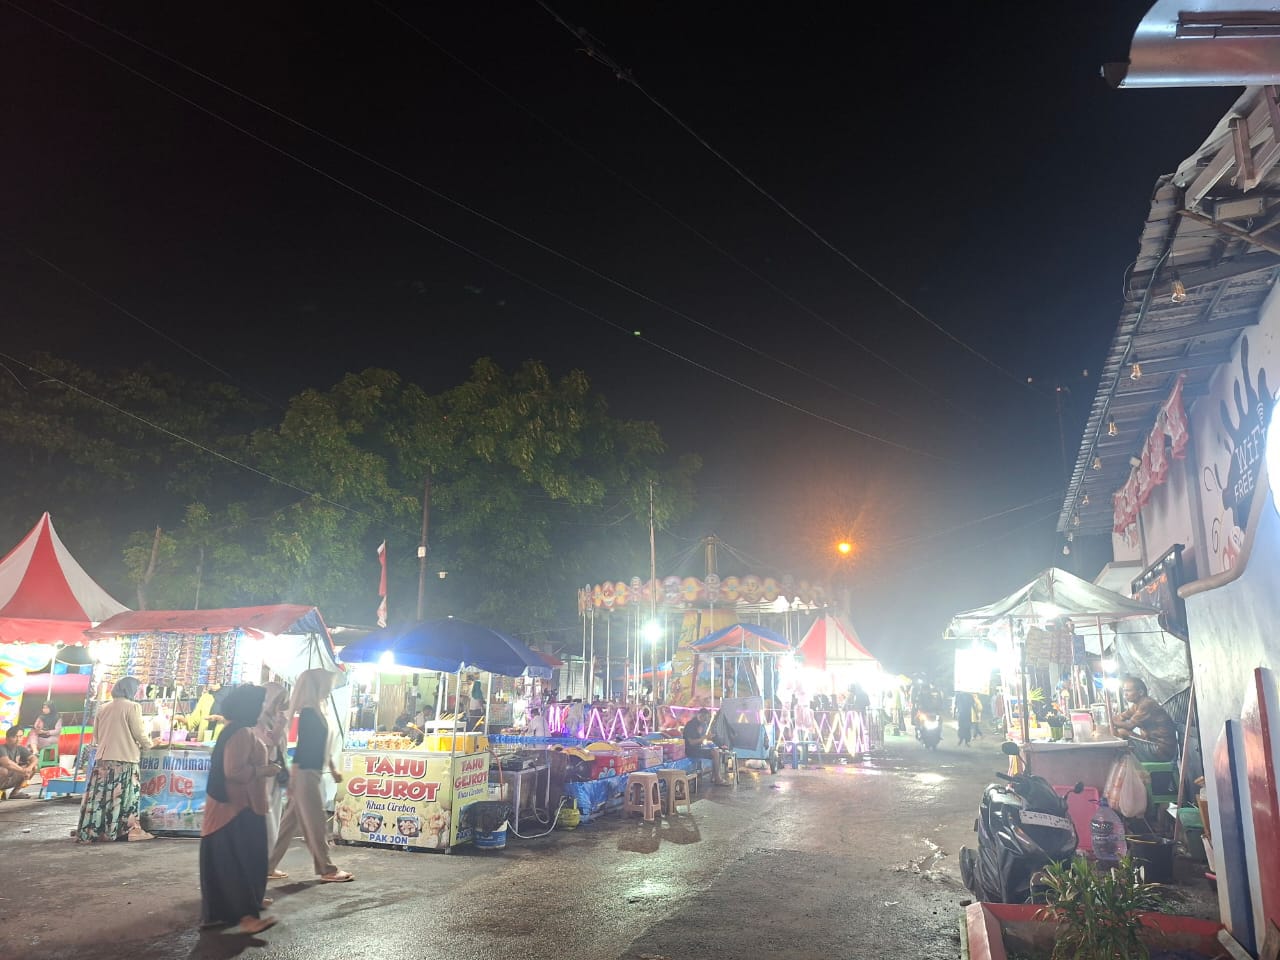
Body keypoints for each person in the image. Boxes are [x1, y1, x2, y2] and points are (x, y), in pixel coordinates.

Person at [200, 684, 281, 934]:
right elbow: (233, 772)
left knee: (227, 862)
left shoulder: (233, 730)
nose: (261, 709)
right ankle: (247, 916)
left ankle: (226, 912)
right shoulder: (241, 733)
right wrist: (264, 770)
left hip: (229, 808)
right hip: (236, 809)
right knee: (240, 863)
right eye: (259, 704)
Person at [266, 669, 353, 883]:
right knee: (316, 822)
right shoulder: (309, 712)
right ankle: (326, 868)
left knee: (289, 825)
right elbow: (305, 749)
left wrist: (332, 768)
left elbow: (320, 746)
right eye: (328, 684)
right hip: (305, 773)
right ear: (319, 686)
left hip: (308, 772)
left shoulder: (315, 710)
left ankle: (267, 865)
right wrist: (295, 779)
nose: (330, 689)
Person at [75, 676, 152, 842]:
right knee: (124, 796)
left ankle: (96, 830)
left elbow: (96, 734)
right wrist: (149, 745)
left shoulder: (103, 707)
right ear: (130, 689)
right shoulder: (133, 707)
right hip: (124, 758)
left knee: (100, 797)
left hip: (103, 758)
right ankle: (125, 830)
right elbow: (138, 732)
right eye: (138, 689)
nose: (139, 693)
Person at [253, 682, 290, 853]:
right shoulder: (257, 719)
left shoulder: (272, 719)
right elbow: (267, 743)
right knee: (266, 812)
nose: (278, 706)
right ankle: (265, 857)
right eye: (276, 701)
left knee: (275, 811)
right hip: (263, 772)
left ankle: (269, 857)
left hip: (274, 771)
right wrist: (279, 727)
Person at [1110, 675, 1177, 762]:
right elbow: (1121, 717)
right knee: (1118, 731)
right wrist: (1111, 720)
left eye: (1128, 691)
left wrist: (1110, 722)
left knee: (1122, 732)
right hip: (1151, 744)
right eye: (1124, 691)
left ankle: (1120, 762)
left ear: (1140, 692)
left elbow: (1129, 726)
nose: (1125, 694)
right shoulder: (1136, 705)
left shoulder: (1147, 704)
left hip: (1161, 750)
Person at [0, 727, 38, 799]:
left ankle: (15, 793)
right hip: (3, 776)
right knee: (3, 770)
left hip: (8, 778)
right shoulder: (1, 748)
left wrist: (29, 768)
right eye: (15, 736)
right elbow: (7, 763)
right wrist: (23, 771)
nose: (18, 739)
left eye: (20, 736)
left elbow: (34, 758)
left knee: (34, 767)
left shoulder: (20, 748)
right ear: (7, 738)